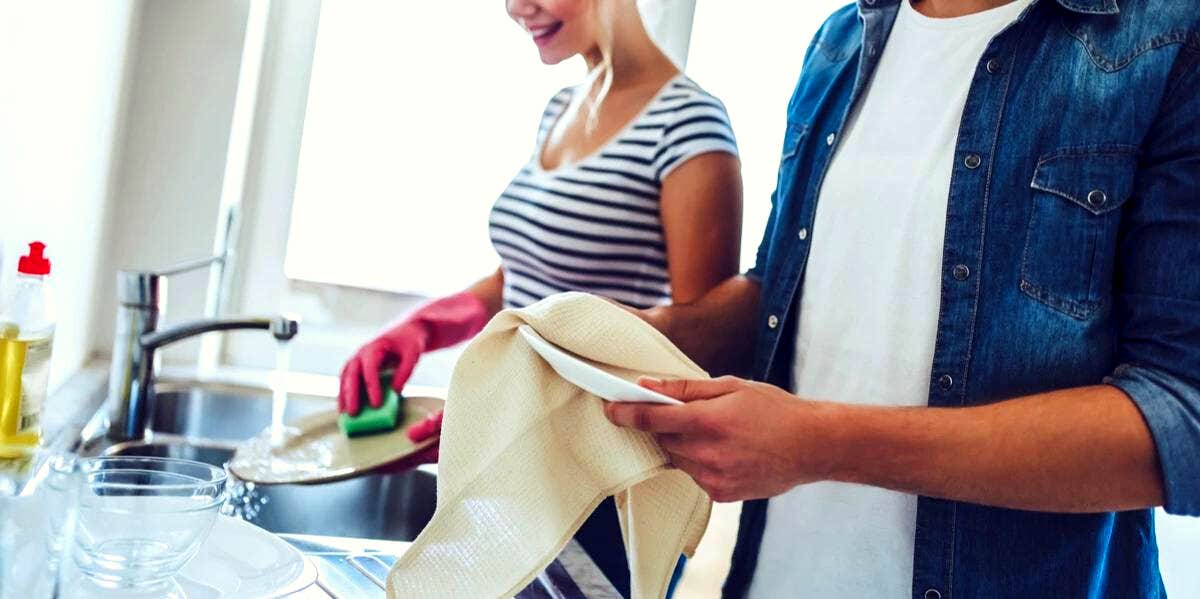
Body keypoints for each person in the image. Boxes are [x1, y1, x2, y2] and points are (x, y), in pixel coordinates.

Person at [604, 0, 1200, 597]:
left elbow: (1181, 417)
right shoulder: (841, 39)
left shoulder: (1169, 36)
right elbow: (779, 287)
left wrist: (821, 444)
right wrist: (643, 334)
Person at [337, 0, 743, 595]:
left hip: (597, 493)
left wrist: (517, 410)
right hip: (521, 476)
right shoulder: (562, 106)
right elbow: (527, 274)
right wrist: (423, 326)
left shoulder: (689, 124)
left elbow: (692, 354)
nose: (515, 7)